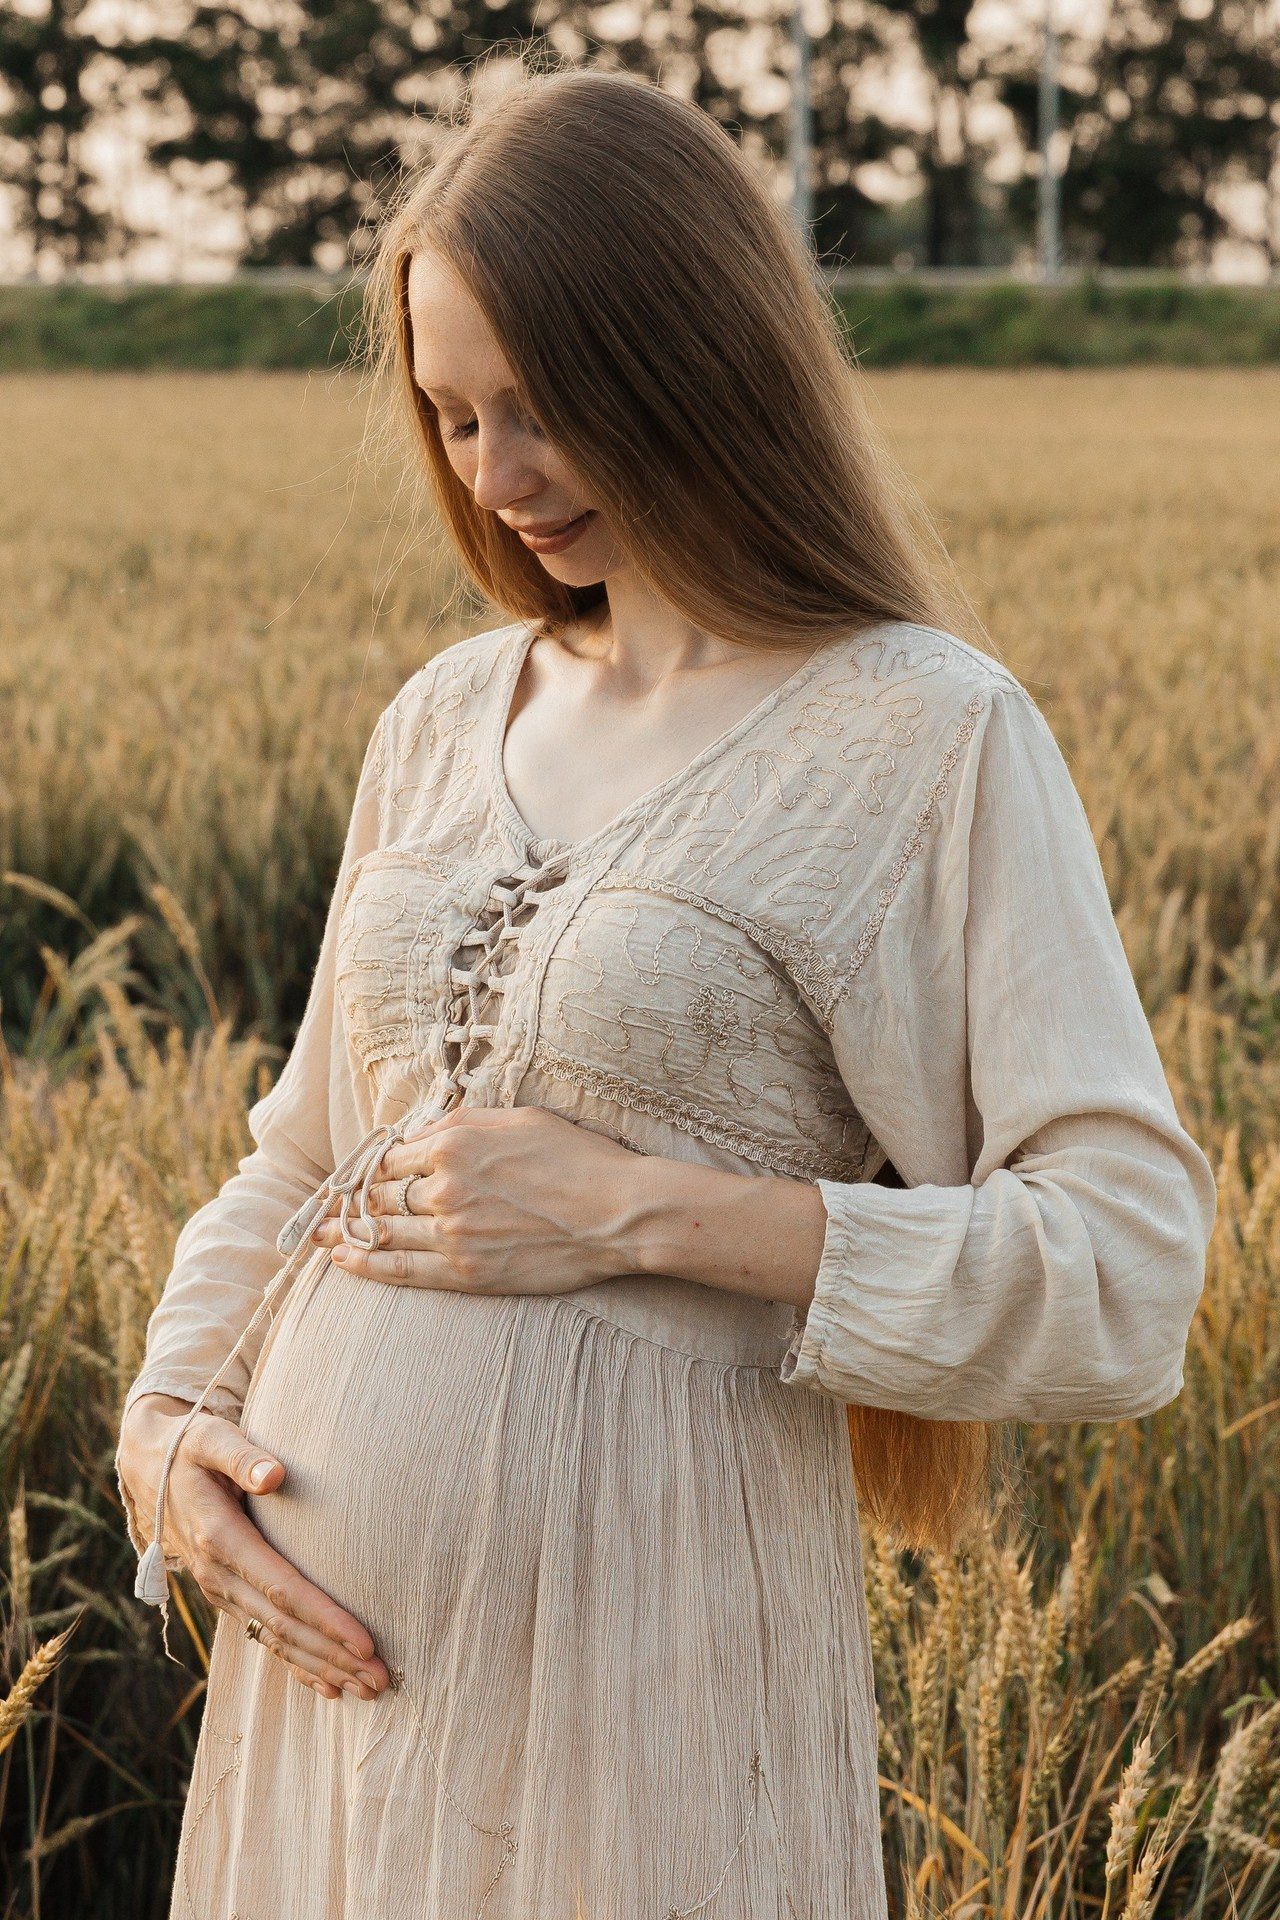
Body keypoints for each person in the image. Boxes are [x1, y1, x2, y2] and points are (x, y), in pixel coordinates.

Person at [114, 63, 1216, 1920]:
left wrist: (641, 1211)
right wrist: (162, 1437)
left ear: (693, 359)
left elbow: (1126, 1269)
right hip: (322, 1717)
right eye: (452, 414)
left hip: (650, 1699)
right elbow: (302, 1153)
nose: (493, 477)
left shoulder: (922, 735)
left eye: (543, 407)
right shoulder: (451, 715)